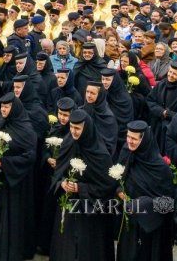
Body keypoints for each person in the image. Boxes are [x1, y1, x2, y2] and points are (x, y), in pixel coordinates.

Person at [50, 108, 116, 261]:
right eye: (72, 127)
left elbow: (108, 186)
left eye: (77, 128)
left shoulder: (100, 154)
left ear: (86, 128)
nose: (73, 131)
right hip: (68, 204)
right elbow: (59, 171)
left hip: (90, 211)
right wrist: (62, 183)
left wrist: (81, 188)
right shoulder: (68, 143)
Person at [0, 91, 37, 261]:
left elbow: (30, 157)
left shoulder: (26, 129)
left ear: (15, 108)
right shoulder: (0, 122)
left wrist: (5, 163)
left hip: (16, 183)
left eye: (7, 107)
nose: (3, 110)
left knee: (13, 217)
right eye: (2, 106)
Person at [115, 120, 174, 261]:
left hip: (151, 227)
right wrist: (119, 191)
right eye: (128, 137)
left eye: (134, 138)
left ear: (144, 140)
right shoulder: (128, 156)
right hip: (130, 220)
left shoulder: (160, 168)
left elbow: (169, 203)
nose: (129, 141)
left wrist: (145, 204)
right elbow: (119, 181)